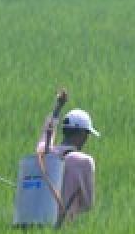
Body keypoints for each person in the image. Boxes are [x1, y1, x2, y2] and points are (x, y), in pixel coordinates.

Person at [37, 91, 99, 225]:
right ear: (82, 133)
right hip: (63, 226)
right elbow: (88, 204)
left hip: (35, 222)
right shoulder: (83, 161)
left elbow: (46, 135)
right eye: (87, 133)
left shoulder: (44, 153)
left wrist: (57, 108)